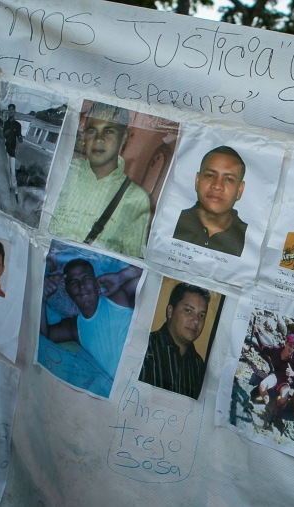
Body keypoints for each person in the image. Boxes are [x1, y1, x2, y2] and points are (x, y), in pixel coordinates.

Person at [49, 103, 150, 258]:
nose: (99, 139)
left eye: (109, 131)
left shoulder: (136, 199)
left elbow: (131, 266)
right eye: (92, 131)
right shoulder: (64, 172)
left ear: (123, 137)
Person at [40, 258, 141, 381]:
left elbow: (150, 276)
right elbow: (44, 336)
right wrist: (42, 298)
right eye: (73, 283)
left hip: (143, 370)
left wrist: (121, 276)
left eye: (86, 279)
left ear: (95, 282)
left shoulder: (118, 297)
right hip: (121, 389)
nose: (81, 286)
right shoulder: (74, 327)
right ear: (68, 291)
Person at [173, 146, 248, 257]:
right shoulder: (172, 221)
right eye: (210, 175)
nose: (217, 186)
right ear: (197, 181)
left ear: (239, 190)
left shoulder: (248, 238)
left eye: (228, 179)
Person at [139, 283, 211, 399]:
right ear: (170, 312)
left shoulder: (199, 365)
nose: (196, 321)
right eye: (188, 310)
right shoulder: (145, 347)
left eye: (201, 315)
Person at [251, 329, 294, 410]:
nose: (291, 349)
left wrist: (292, 374)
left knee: (284, 399)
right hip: (274, 376)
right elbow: (264, 347)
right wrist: (256, 333)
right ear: (285, 343)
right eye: (290, 345)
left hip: (285, 381)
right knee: (262, 386)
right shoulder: (276, 350)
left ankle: (276, 407)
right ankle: (268, 405)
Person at [2, 103, 22, 196]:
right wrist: (5, 133)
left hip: (12, 150)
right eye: (9, 110)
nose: (11, 112)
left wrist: (21, 138)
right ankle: (9, 187)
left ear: (14, 111)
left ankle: (15, 189)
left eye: (12, 110)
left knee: (13, 171)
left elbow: (19, 136)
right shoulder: (5, 123)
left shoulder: (18, 125)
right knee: (7, 169)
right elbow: (4, 135)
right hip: (6, 148)